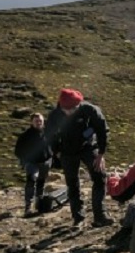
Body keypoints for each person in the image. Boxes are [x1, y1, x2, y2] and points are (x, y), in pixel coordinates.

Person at [44, 88, 112, 227]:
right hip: (66, 151)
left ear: (79, 104)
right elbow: (48, 136)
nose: (69, 112)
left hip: (88, 147)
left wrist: (100, 154)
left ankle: (100, 215)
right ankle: (78, 217)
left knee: (99, 177)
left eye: (73, 109)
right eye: (66, 109)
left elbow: (102, 130)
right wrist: (57, 152)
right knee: (72, 184)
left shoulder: (90, 110)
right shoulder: (55, 115)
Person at [14, 113, 52, 217]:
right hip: (32, 163)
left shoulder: (47, 133)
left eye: (40, 120)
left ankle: (40, 205)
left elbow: (54, 145)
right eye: (36, 121)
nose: (39, 122)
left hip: (45, 162)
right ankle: (28, 207)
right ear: (32, 122)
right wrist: (26, 160)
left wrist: (51, 156)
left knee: (41, 182)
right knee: (31, 180)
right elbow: (18, 151)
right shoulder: (25, 135)